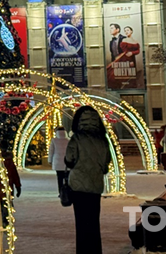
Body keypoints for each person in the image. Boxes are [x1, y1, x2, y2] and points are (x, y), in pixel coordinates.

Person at [64, 106, 111, 254]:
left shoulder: (77, 138)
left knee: (82, 224)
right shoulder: (102, 140)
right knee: (93, 223)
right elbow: (105, 165)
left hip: (78, 187)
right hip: (95, 186)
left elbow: (69, 160)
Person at [48, 126, 69, 197]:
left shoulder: (54, 140)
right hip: (67, 162)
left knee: (59, 178)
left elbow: (51, 151)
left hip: (58, 162)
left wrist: (50, 160)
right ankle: (68, 192)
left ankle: (61, 192)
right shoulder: (68, 140)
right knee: (67, 178)